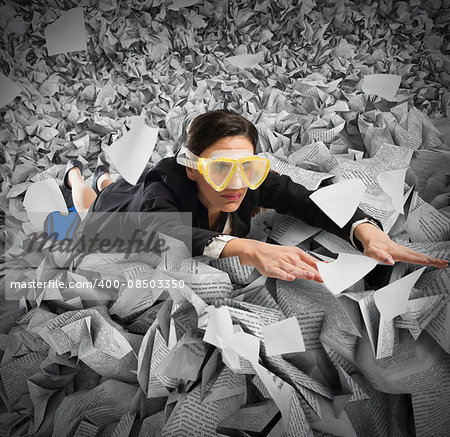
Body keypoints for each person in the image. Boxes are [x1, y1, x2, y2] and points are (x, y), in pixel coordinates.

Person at [60, 109, 448, 282]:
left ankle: (108, 179)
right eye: (219, 168)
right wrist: (246, 249)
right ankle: (77, 176)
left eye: (246, 167)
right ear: (194, 166)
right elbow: (164, 231)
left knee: (116, 185)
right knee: (91, 204)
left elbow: (307, 198)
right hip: (126, 215)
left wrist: (364, 229)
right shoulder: (163, 188)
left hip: (142, 195)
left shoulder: (249, 177)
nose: (235, 184)